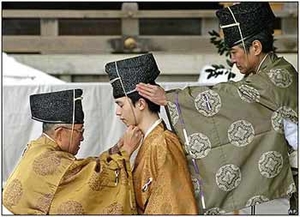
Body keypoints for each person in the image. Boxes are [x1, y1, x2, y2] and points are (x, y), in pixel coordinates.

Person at [136, 2, 298, 215]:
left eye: (234, 52)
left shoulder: (277, 76)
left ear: (256, 48)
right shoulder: (266, 73)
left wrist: (171, 97)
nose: (232, 59)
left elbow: (231, 95)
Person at [3, 89, 143, 214]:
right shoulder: (52, 160)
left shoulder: (36, 148)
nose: (82, 138)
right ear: (60, 133)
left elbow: (86, 169)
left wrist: (115, 150)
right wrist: (126, 151)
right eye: (79, 131)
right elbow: (93, 178)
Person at [105, 53, 198, 214]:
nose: (118, 113)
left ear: (141, 104)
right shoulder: (151, 141)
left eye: (121, 105)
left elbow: (173, 206)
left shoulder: (163, 143)